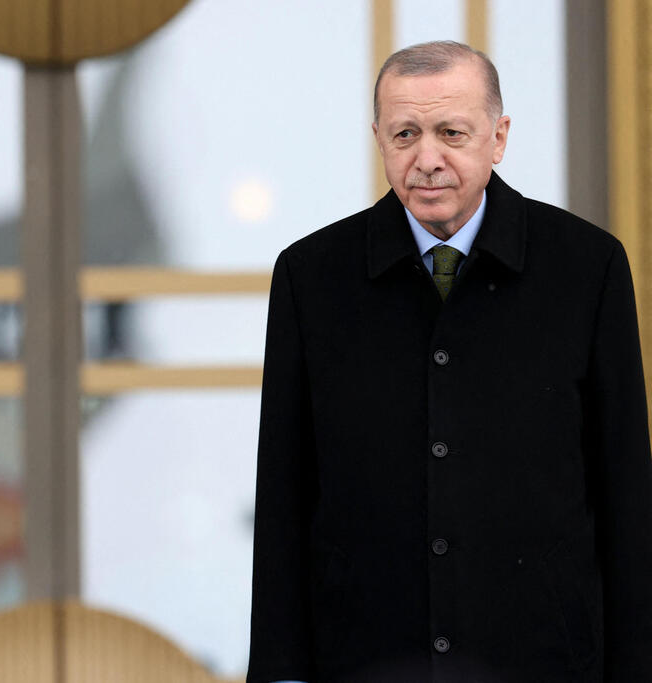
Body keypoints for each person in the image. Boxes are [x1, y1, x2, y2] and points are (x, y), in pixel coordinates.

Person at [247, 41, 652, 682]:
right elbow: (285, 496)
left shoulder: (588, 267)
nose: (426, 159)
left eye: (451, 133)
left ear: (499, 137)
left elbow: (625, 490)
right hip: (365, 655)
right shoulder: (310, 277)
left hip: (542, 656)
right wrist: (279, 672)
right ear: (379, 138)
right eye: (405, 133)